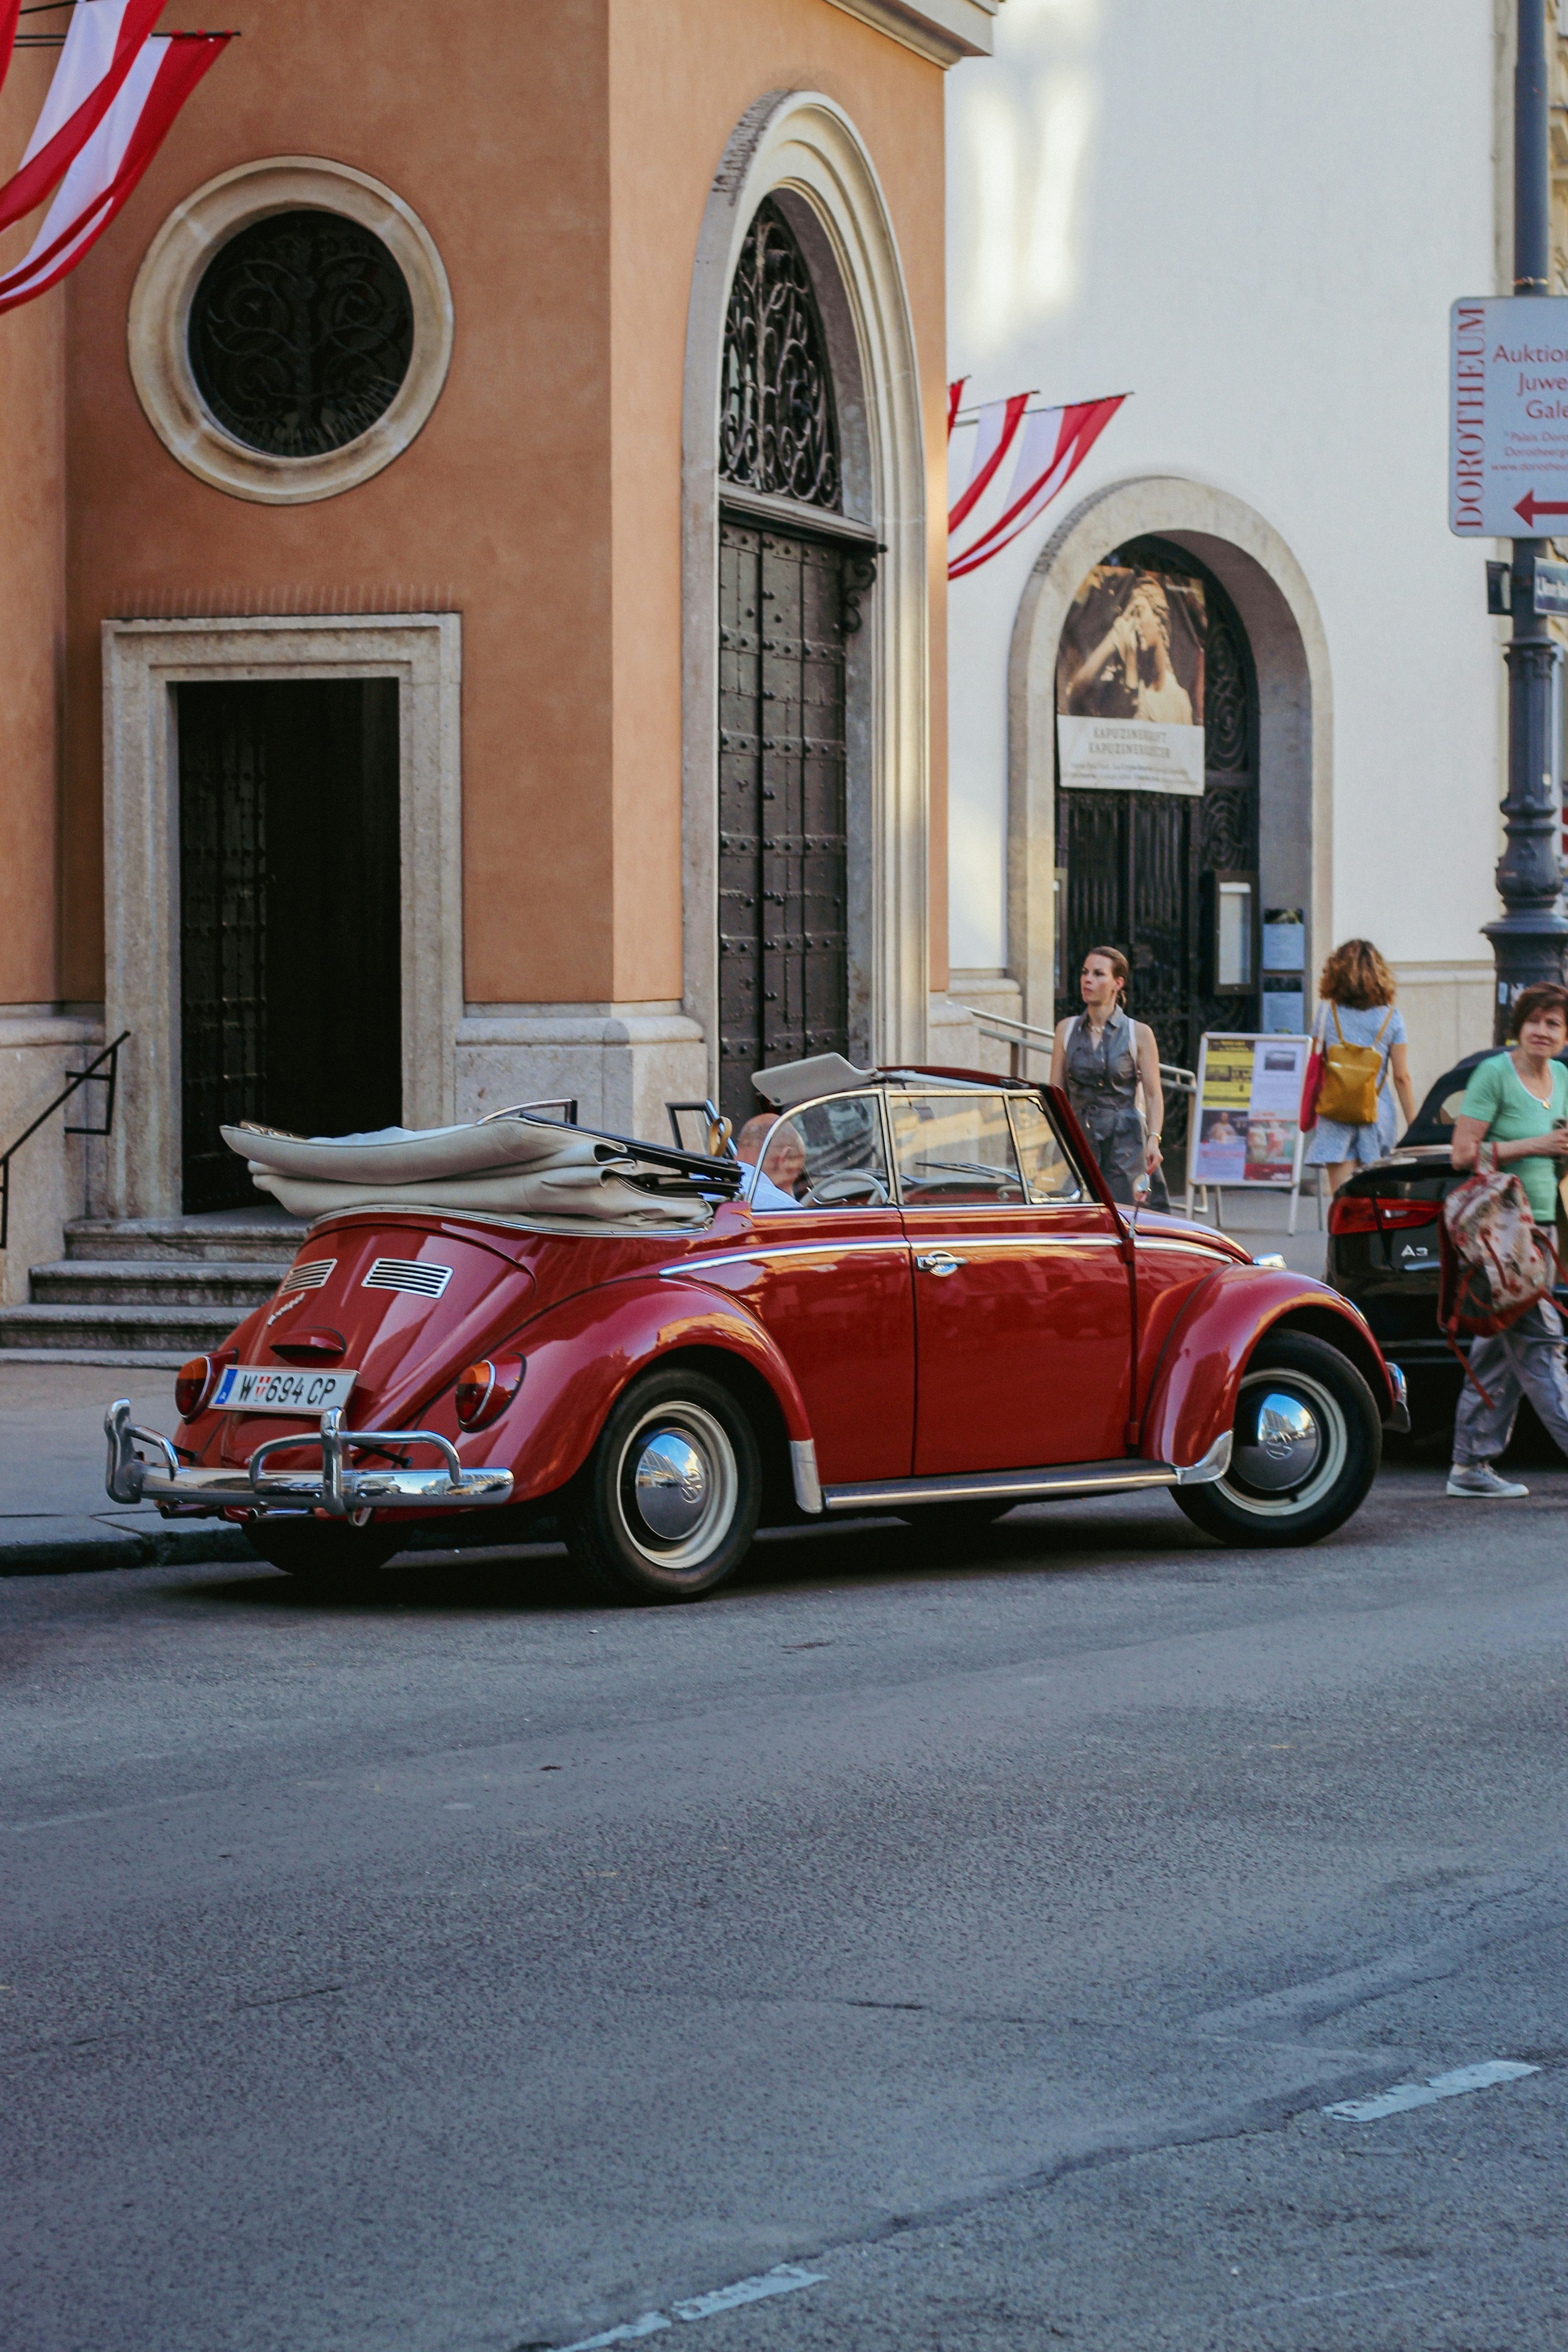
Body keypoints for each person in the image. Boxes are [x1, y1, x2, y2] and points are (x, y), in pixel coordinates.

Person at [1445, 980, 1568, 1500]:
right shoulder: (1494, 1074)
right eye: (1533, 1020)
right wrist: (1535, 1144)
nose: (1542, 1031)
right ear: (1517, 1026)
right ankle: (1470, 1463)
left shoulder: (1562, 1077)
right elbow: (1461, 1154)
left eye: (1553, 1023)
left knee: (1499, 1350)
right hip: (1504, 1235)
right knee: (1541, 1346)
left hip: (1546, 1227)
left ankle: (1469, 1464)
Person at [1049, 945, 1164, 1204]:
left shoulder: (1139, 1033)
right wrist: (1052, 1139)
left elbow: (1154, 1095)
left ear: (1118, 983)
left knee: (1122, 1215)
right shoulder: (1066, 1030)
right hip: (1077, 1139)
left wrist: (1153, 1140)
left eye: (1098, 974)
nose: (1088, 980)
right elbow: (1055, 1092)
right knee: (1071, 1214)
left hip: (1124, 1144)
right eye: (1085, 972)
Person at [1304, 939, 1416, 1193]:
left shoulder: (1326, 1013)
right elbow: (1402, 1077)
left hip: (1336, 1113)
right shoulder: (1392, 1018)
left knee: (1344, 1203)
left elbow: (1315, 1061)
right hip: (1376, 1116)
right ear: (1380, 975)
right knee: (1375, 1200)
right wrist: (1414, 1123)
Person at [1062, 573, 1194, 726]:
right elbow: (1076, 690)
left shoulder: (1180, 700)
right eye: (1131, 616)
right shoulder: (1131, 686)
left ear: (1159, 618)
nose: (1135, 624)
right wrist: (1114, 637)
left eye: (1139, 613)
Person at [735, 1112, 805, 1211]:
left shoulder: (713, 1186)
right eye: (796, 1172)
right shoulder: (786, 1208)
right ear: (784, 1159)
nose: (792, 1190)